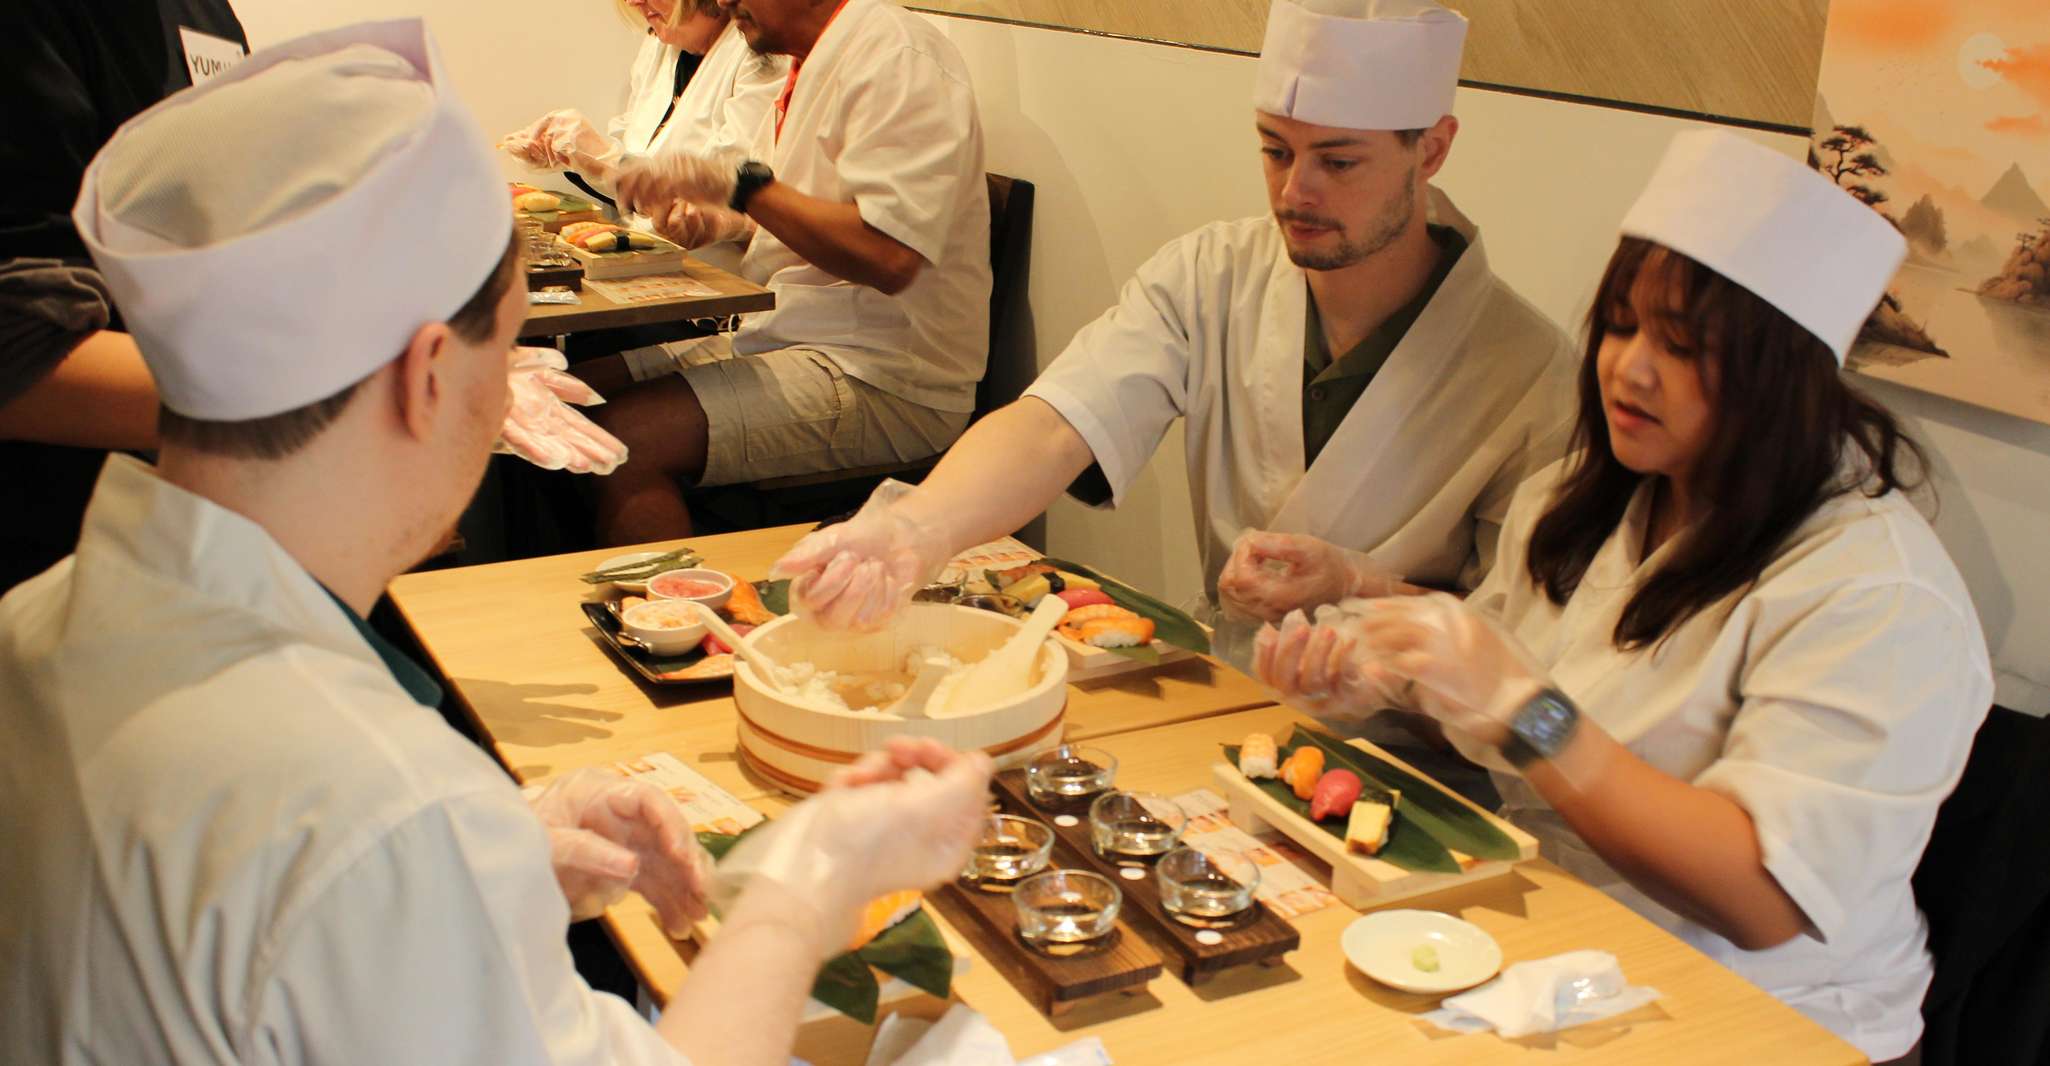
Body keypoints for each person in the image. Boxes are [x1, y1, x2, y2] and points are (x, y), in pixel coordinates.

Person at [0, 22, 991, 1065]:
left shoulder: (38, 625)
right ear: (428, 378)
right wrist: (809, 884)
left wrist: (499, 850)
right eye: (510, 346)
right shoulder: (375, 809)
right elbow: (355, 863)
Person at [1256, 129, 1991, 1063]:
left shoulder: (1876, 593)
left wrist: (1526, 710)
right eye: (1619, 324)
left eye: (1682, 346)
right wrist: (1393, 679)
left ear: (1781, 378)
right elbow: (1500, 717)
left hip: (1767, 1021)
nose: (1629, 368)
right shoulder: (1584, 502)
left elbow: (1762, 896)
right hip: (1559, 950)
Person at [767, 0, 1577, 664]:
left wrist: (1360, 588)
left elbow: (1527, 646)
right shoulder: (1214, 274)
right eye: (1275, 150)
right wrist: (915, 529)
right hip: (1231, 687)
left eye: (1339, 162)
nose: (1295, 192)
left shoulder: (1530, 373)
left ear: (1431, 150)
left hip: (1411, 750)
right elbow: (1055, 423)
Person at [586, 0, 993, 542]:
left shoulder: (897, 53)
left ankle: (685, 600)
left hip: (889, 374)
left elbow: (889, 257)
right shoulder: (807, 61)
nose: (723, 2)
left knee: (625, 438)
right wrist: (719, 223)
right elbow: (794, 214)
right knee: (573, 394)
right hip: (792, 336)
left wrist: (741, 187)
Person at [0, 0, 248, 595]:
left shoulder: (205, 15)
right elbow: (17, 353)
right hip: (51, 576)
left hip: (192, 558)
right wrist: (323, 407)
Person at [501, 0, 785, 273]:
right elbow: (633, 170)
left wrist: (604, 158)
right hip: (649, 265)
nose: (634, 2)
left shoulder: (760, 55)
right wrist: (573, 155)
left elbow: (731, 188)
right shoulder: (659, 46)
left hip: (718, 279)